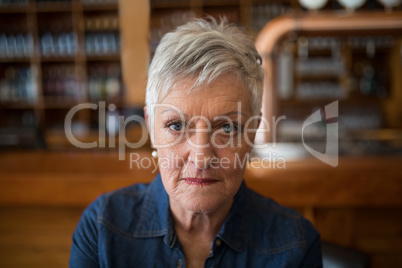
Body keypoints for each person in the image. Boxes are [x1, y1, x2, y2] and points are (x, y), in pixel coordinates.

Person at [70, 18, 322, 268]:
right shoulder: (102, 229)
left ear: (253, 131)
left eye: (227, 127)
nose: (201, 159)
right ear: (151, 126)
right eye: (176, 126)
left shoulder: (296, 245)